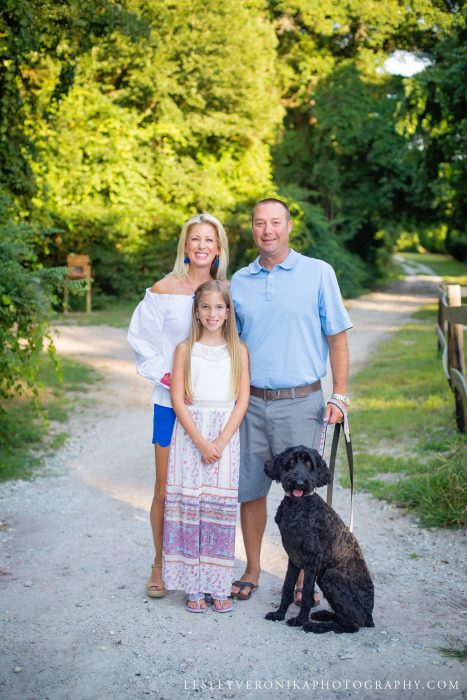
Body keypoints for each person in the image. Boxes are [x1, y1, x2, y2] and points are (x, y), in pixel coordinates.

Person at [229, 197, 352, 603]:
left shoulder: (318, 273)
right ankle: (251, 568)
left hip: (302, 402)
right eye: (260, 223)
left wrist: (340, 394)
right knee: (250, 490)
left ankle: (303, 576)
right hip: (250, 403)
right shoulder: (239, 281)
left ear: (289, 226)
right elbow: (231, 344)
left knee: (302, 494)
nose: (268, 230)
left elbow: (337, 337)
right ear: (252, 229)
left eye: (276, 222)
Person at [127, 214, 229, 598]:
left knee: (203, 489)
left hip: (214, 405)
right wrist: (170, 379)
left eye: (209, 240)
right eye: (194, 239)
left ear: (218, 248)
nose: (201, 246)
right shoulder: (163, 290)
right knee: (166, 487)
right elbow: (142, 341)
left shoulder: (226, 292)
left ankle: (199, 565)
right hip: (170, 404)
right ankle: (159, 563)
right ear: (185, 247)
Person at [162, 281, 250, 612]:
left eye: (219, 307)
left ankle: (217, 585)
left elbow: (242, 400)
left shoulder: (238, 351)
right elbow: (176, 398)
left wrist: (221, 440)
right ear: (197, 312)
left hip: (225, 435)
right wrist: (200, 440)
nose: (212, 313)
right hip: (190, 435)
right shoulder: (185, 349)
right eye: (205, 307)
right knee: (190, 506)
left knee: (218, 509)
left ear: (228, 313)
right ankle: (192, 586)